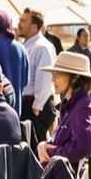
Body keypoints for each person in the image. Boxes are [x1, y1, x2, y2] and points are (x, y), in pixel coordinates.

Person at [36, 51, 91, 176]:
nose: (52, 79)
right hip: (57, 175)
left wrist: (51, 152)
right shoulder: (72, 104)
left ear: (74, 77)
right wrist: (45, 146)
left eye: (57, 74)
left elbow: (84, 145)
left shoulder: (83, 106)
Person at [18, 8, 58, 144]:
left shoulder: (42, 47)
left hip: (37, 106)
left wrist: (37, 105)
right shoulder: (27, 46)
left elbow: (45, 77)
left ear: (34, 27)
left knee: (36, 149)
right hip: (29, 104)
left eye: (23, 21)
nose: (19, 24)